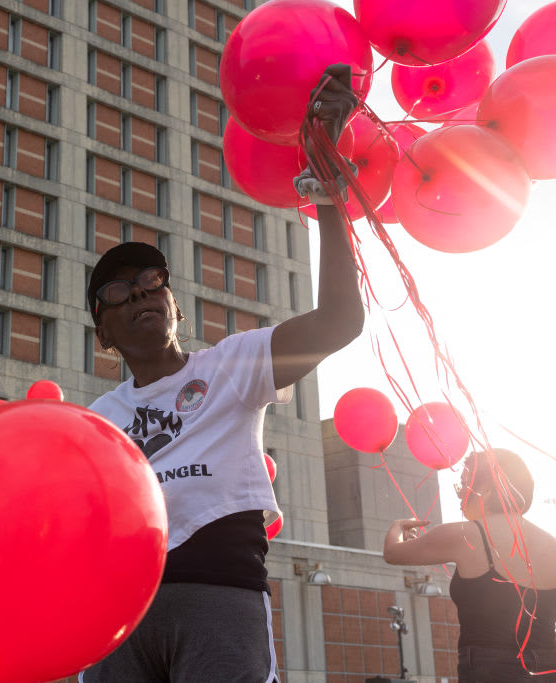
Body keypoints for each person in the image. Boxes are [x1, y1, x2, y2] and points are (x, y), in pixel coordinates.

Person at [80, 69, 365, 682]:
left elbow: (340, 320)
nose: (141, 293)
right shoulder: (97, 421)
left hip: (220, 595)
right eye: (119, 290)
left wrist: (328, 197)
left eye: (154, 282)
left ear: (175, 304)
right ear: (103, 331)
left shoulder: (233, 365)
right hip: (118, 615)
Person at [383, 448, 556, 682]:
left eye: (463, 483)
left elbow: (393, 553)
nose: (459, 494)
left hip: (488, 671)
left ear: (485, 487)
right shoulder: (551, 545)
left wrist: (397, 527)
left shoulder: (465, 535)